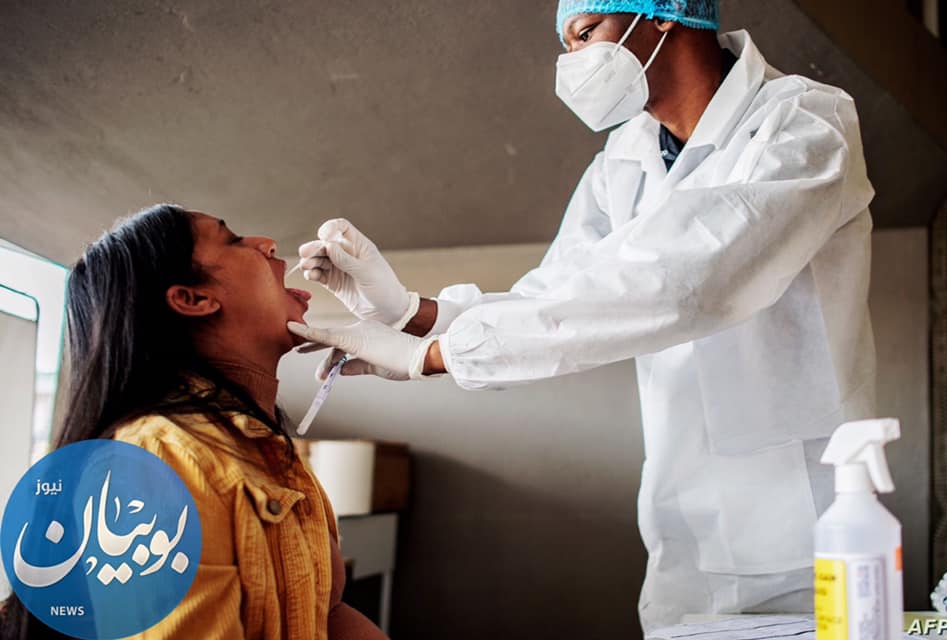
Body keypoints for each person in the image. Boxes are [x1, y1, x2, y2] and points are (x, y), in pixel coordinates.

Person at [287, 0, 877, 631]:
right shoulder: (622, 159)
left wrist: (432, 357)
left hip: (811, 518)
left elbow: (687, 284)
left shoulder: (804, 121)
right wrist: (414, 313)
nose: (571, 63)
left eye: (585, 34)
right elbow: (560, 294)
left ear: (665, 13)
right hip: (684, 523)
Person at [0, 204, 387, 640]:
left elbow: (328, 614)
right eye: (233, 240)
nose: (268, 244)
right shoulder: (157, 460)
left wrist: (423, 331)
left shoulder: (263, 452)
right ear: (193, 299)